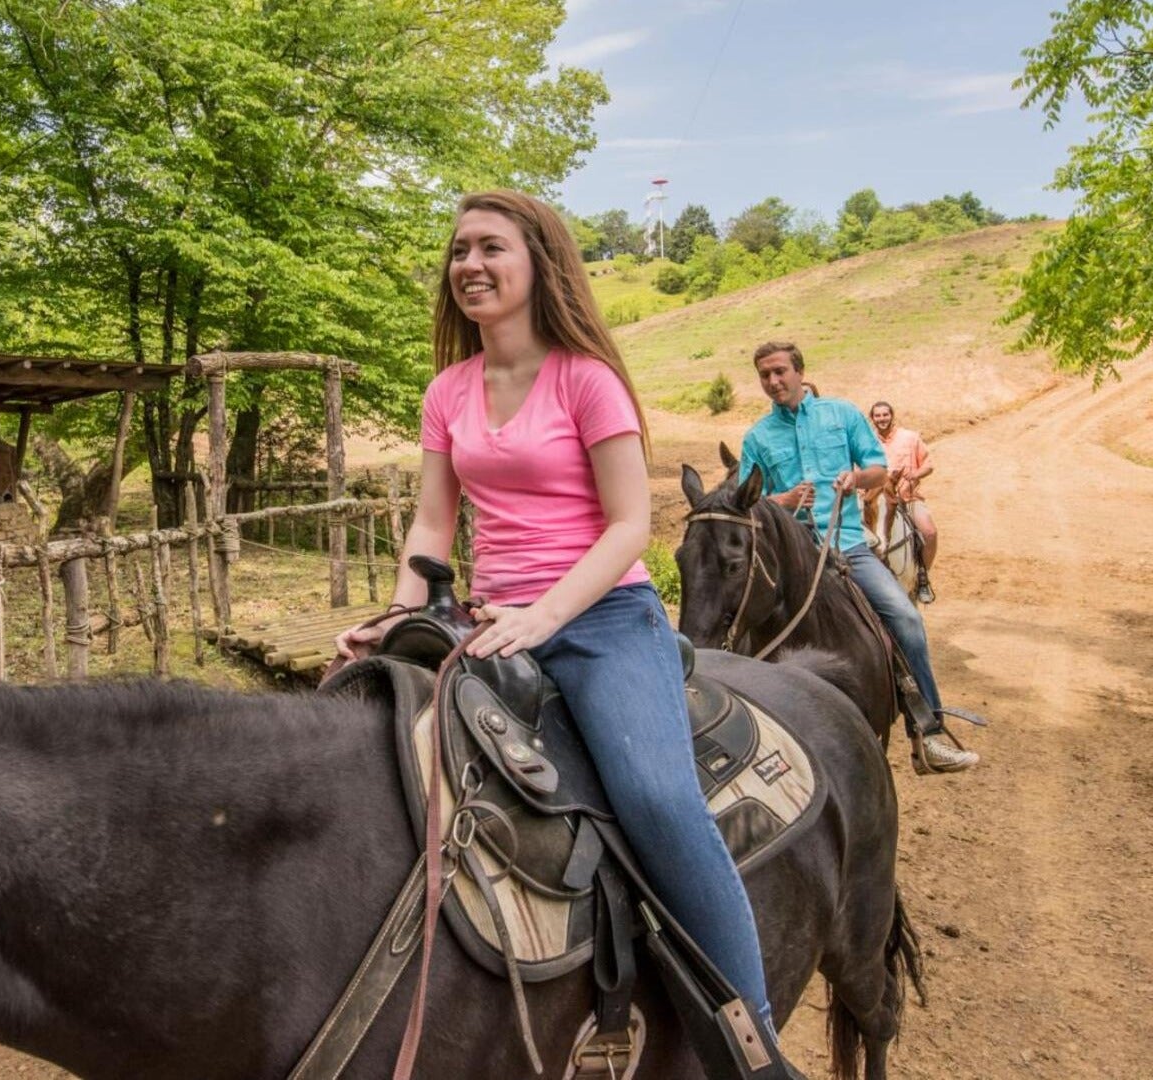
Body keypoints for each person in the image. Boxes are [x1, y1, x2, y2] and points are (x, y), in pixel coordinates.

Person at [336, 191, 803, 1078]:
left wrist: (545, 615)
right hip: (489, 619)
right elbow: (433, 527)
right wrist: (399, 618)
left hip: (599, 618)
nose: (469, 264)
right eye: (459, 250)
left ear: (538, 263)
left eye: (491, 247)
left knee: (658, 800)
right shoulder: (447, 391)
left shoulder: (587, 378)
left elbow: (630, 524)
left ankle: (756, 1046)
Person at [736, 343, 978, 773]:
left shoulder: (842, 414)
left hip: (847, 546)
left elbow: (878, 469)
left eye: (779, 372)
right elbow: (745, 503)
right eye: (764, 376)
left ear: (799, 372)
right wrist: (782, 500)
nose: (773, 382)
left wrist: (856, 477)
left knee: (905, 620)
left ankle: (928, 732)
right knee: (733, 627)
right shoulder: (757, 437)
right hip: (789, 558)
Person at [869, 400, 938, 603]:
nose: (882, 419)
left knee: (930, 532)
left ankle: (922, 577)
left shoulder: (910, 437)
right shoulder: (867, 440)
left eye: (885, 414)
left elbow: (929, 464)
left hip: (907, 498)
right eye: (878, 415)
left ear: (892, 416)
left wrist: (916, 473)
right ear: (872, 419)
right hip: (875, 500)